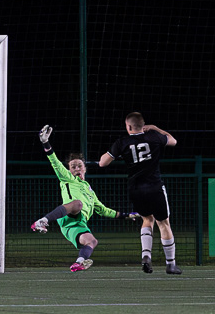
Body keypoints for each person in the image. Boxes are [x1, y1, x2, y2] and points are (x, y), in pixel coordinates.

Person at [30, 124, 139, 273]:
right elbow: (55, 162)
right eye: (73, 167)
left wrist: (126, 215)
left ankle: (79, 263)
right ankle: (42, 221)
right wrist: (45, 143)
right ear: (69, 170)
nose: (76, 169)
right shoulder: (67, 178)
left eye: (79, 166)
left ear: (85, 168)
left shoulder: (90, 192)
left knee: (92, 241)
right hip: (68, 216)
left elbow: (104, 210)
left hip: (77, 224)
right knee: (78, 204)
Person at [99, 112, 182, 275]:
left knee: (147, 219)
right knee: (164, 223)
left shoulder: (122, 142)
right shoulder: (154, 137)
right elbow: (173, 141)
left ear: (129, 126)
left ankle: (146, 255)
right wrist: (156, 128)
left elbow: (103, 163)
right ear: (143, 125)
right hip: (155, 187)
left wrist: (116, 152)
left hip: (136, 189)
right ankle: (171, 264)